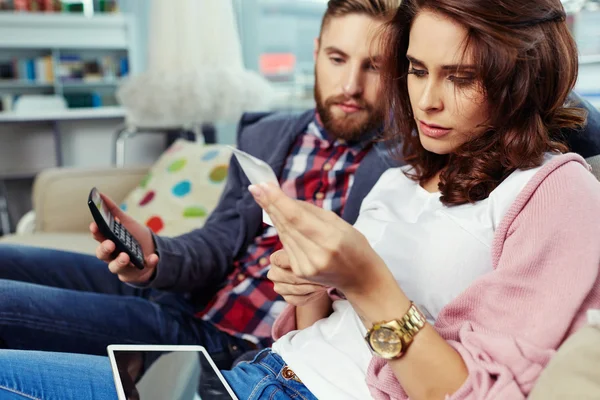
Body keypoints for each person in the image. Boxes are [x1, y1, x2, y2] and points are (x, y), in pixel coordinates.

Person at [2, 0, 600, 399]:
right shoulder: (405, 178)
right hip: (257, 371)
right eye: (417, 71)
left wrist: (366, 282)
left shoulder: (557, 193)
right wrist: (315, 289)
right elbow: (317, 331)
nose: (427, 101)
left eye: (461, 77)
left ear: (522, 78)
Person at [0, 0, 401, 369]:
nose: (350, 84)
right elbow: (218, 241)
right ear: (316, 53)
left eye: (374, 65)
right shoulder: (267, 135)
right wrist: (154, 251)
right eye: (337, 58)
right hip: (181, 296)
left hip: (224, 341)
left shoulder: (402, 169)